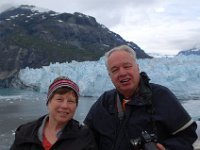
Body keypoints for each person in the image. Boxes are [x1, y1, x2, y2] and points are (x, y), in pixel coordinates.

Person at [84, 45, 197, 150]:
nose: (122, 72)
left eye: (127, 66)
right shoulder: (104, 103)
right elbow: (84, 137)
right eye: (115, 70)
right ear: (110, 76)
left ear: (137, 68)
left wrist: (167, 148)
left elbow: (187, 135)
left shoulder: (161, 96)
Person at [10, 76, 97, 150]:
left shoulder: (84, 137)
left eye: (71, 101)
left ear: (76, 106)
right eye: (59, 99)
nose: (65, 106)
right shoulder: (26, 133)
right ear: (49, 101)